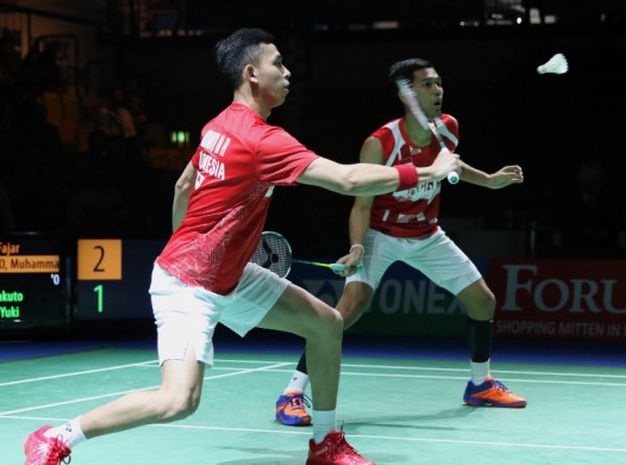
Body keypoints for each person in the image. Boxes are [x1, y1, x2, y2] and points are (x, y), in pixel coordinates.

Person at [22, 31, 460, 465]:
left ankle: (326, 444)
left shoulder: (218, 125)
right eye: (279, 64)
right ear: (252, 73)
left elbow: (184, 185)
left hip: (226, 274)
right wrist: (427, 171)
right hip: (190, 285)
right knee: (178, 401)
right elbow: (347, 179)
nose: (288, 73)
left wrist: (203, 245)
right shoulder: (262, 140)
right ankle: (58, 436)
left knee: (327, 324)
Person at [275, 58, 526, 427]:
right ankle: (292, 393)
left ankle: (480, 384)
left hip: (428, 235)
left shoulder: (449, 128)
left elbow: (451, 163)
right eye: (427, 85)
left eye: (439, 83)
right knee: (349, 309)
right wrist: (358, 246)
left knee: (482, 301)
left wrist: (488, 180)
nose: (438, 90)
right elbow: (361, 204)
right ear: (406, 94)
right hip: (381, 235)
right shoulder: (381, 143)